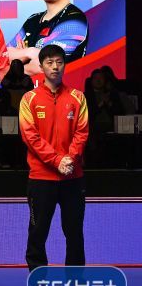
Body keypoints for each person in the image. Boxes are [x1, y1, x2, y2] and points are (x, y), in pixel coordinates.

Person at [18, 44, 89, 271]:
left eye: (59, 62)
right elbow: (30, 137)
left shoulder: (78, 98)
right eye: (49, 62)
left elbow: (82, 132)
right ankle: (38, 280)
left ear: (64, 65)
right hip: (41, 178)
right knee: (37, 232)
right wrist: (58, 161)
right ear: (41, 66)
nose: (55, 67)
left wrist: (70, 159)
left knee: (74, 232)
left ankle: (75, 282)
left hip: (72, 177)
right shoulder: (29, 99)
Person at [7, 0, 88, 75]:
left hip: (61, 87)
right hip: (27, 87)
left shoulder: (74, 20)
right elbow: (2, 57)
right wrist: (30, 52)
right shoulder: (33, 20)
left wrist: (18, 59)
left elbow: (44, 66)